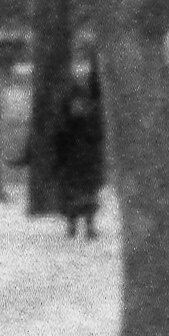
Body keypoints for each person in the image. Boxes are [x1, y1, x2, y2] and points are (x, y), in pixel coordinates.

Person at [59, 66, 107, 240]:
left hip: (86, 160)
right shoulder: (68, 121)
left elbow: (97, 135)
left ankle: (89, 226)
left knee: (86, 194)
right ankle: (73, 226)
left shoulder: (90, 118)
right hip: (75, 160)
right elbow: (61, 138)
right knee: (74, 194)